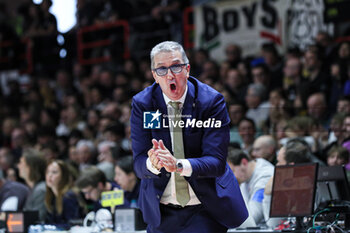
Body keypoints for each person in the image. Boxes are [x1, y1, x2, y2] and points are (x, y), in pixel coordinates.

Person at [130, 41, 247, 233]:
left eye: (176, 67)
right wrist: (154, 164)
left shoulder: (210, 101)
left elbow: (216, 162)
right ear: (154, 75)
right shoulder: (143, 104)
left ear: (187, 69)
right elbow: (139, 162)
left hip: (204, 208)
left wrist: (177, 165)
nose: (169, 75)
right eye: (161, 69)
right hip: (161, 212)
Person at [227, 148, 274, 226]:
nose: (230, 177)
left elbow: (253, 217)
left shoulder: (265, 176)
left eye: (232, 171)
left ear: (244, 163)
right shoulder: (244, 177)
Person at [45, 160, 82, 225]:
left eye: (54, 172)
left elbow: (72, 223)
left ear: (63, 176)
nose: (49, 175)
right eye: (48, 172)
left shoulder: (69, 196)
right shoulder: (51, 197)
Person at [18, 149, 47, 221]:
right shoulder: (33, 189)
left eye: (21, 163)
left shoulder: (41, 190)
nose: (18, 166)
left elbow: (38, 219)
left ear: (30, 167)